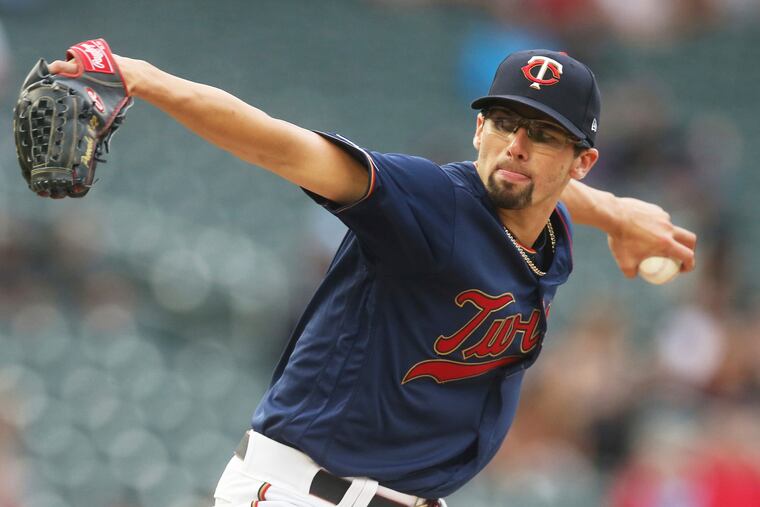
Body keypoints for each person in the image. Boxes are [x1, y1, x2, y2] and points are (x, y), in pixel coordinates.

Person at [51, 48, 696, 507]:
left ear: (582, 161)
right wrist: (142, 77)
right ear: (479, 128)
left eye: (543, 134)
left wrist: (614, 212)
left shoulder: (549, 234)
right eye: (503, 123)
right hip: (309, 494)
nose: (515, 146)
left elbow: (540, 193)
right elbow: (281, 145)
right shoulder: (430, 203)